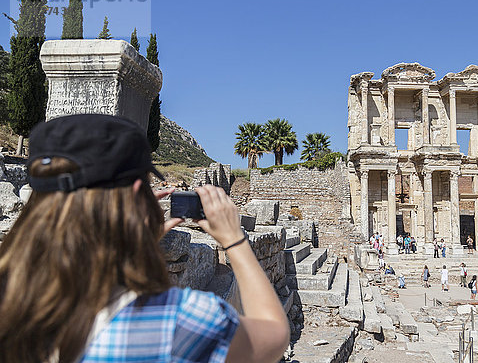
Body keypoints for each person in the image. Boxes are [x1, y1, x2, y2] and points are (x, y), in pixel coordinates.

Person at [0, 115, 290, 363]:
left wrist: (132, 241)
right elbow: (274, 335)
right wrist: (234, 240)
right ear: (138, 193)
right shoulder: (175, 320)